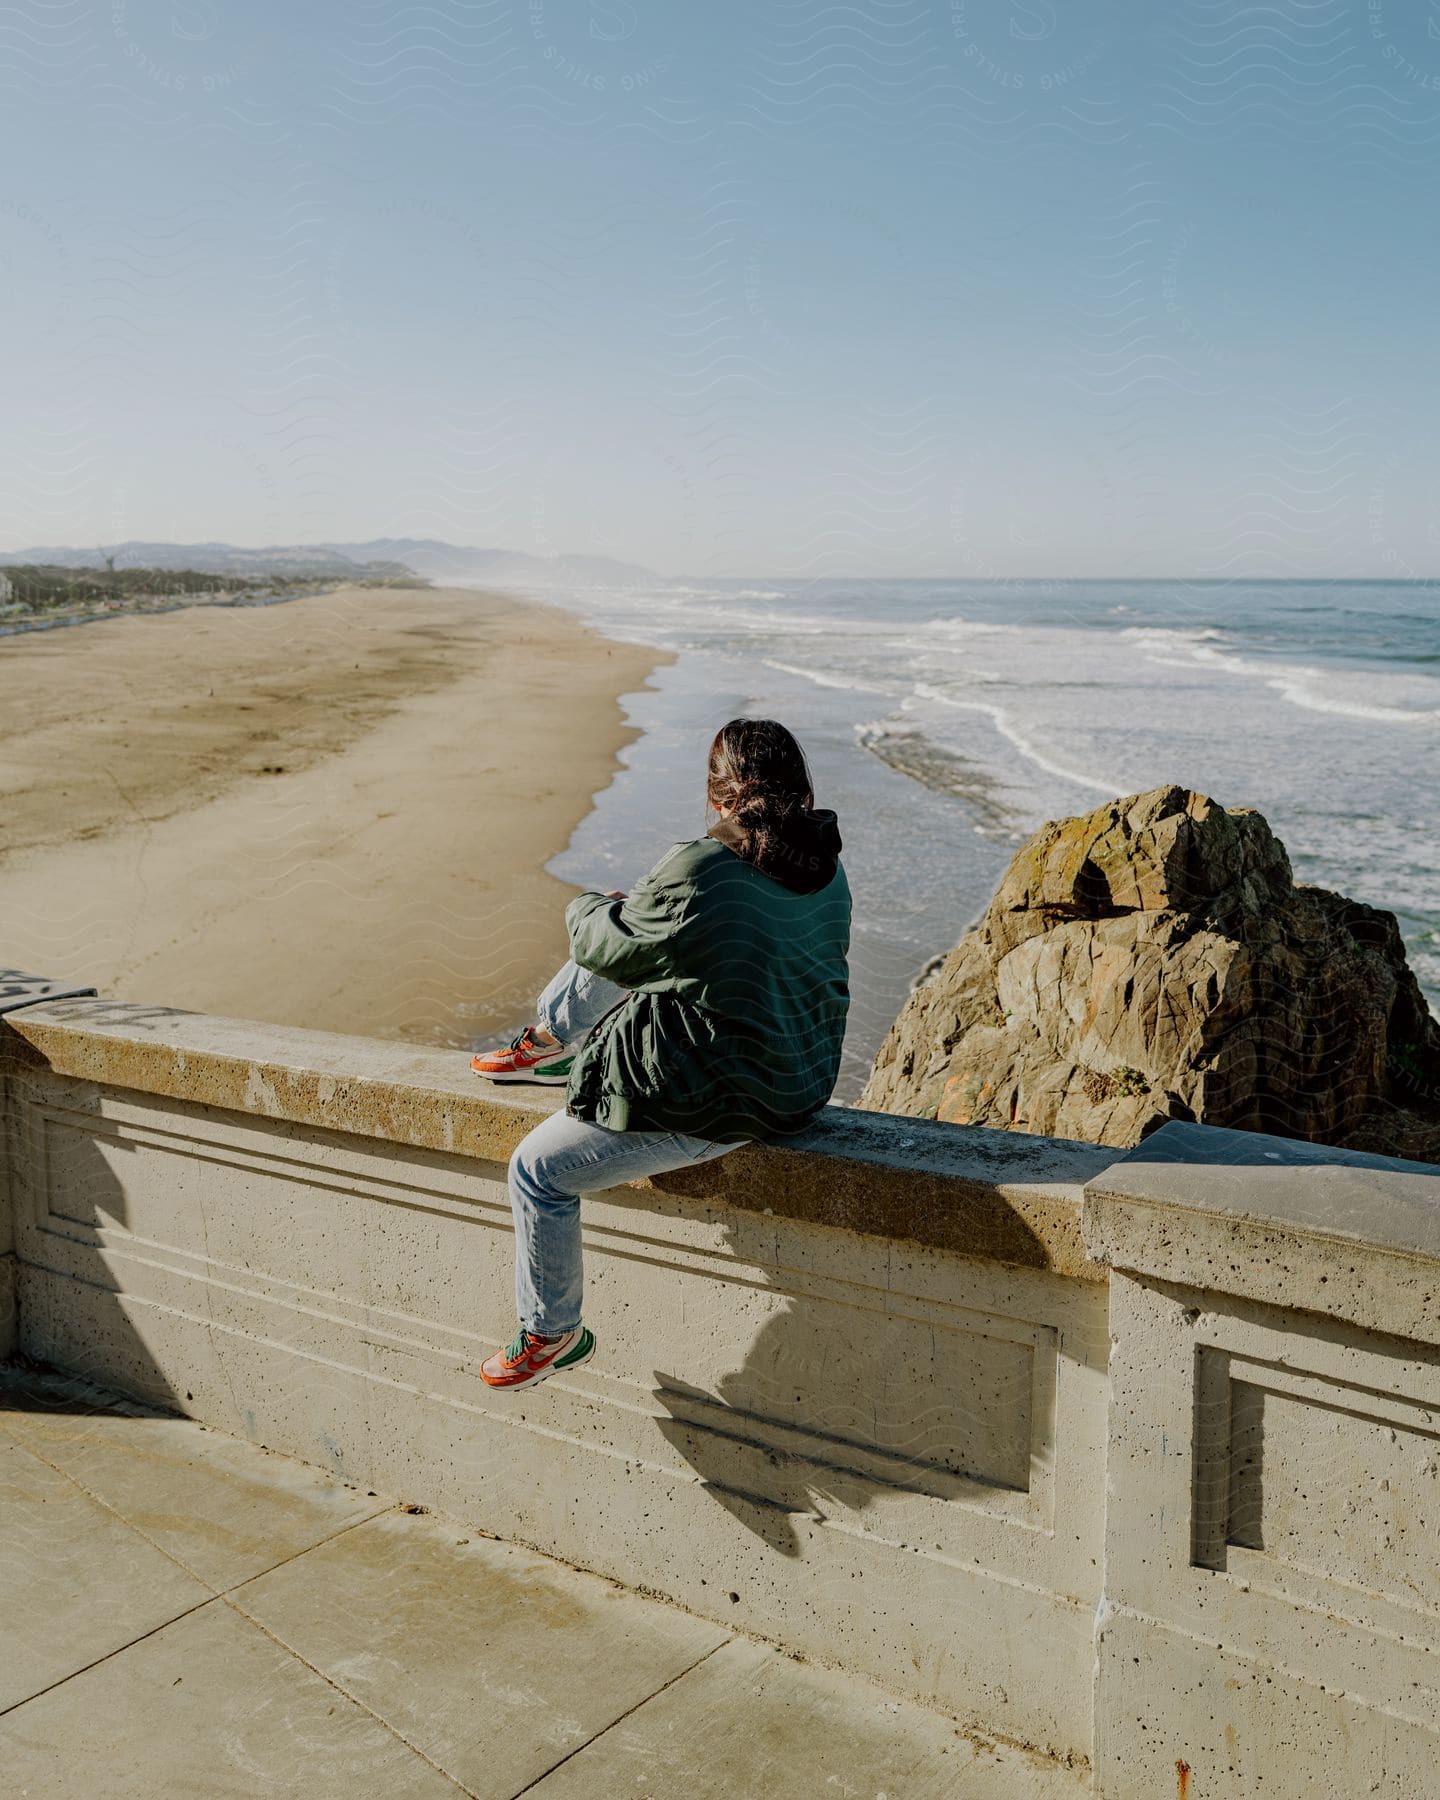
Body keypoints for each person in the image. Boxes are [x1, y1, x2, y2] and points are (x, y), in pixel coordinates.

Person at [471, 717, 852, 1391]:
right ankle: (552, 1043)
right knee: (647, 924)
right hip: (798, 1082)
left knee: (535, 1171)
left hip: (711, 1104)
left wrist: (589, 905)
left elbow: (602, 948)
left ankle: (553, 1330)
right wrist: (643, 915)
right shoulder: (827, 872)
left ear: (719, 796)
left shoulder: (704, 866)